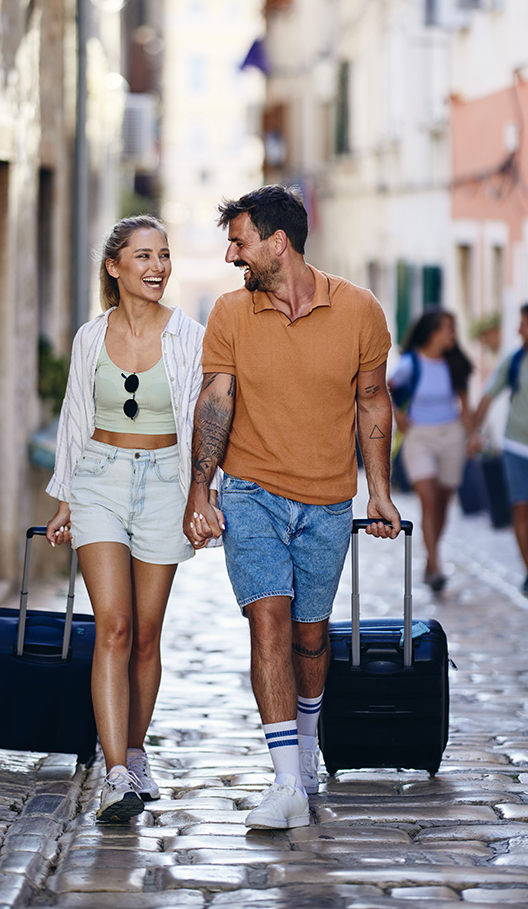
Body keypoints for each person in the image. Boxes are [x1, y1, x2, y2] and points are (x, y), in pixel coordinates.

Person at [184, 184, 400, 831]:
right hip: (250, 492)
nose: (230, 256)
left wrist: (379, 490)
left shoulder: (360, 311)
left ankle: (304, 750)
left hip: (327, 501)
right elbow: (216, 400)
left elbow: (372, 403)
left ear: (278, 244)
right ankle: (284, 783)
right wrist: (201, 488)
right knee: (268, 624)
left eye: (239, 242)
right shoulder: (229, 314)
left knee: (310, 636)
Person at [46, 215, 212, 823]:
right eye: (144, 256)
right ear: (115, 267)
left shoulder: (190, 336)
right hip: (100, 481)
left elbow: (205, 422)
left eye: (164, 256)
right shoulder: (91, 337)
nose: (158, 267)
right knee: (112, 627)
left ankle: (136, 752)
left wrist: (203, 492)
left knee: (145, 632)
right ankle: (116, 773)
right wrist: (65, 496)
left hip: (165, 483)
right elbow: (74, 417)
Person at [389, 309, 474, 593]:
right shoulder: (411, 363)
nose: (453, 335)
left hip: (451, 435)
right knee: (428, 499)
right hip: (419, 436)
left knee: (443, 502)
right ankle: (435, 563)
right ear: (433, 332)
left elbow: (465, 405)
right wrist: (399, 418)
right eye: (449, 329)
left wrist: (472, 435)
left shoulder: (454, 364)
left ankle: (431, 557)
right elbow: (385, 388)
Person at [473, 304, 528, 594]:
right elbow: (487, 396)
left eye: (524, 324)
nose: (520, 330)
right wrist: (475, 431)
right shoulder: (515, 360)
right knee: (520, 507)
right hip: (517, 445)